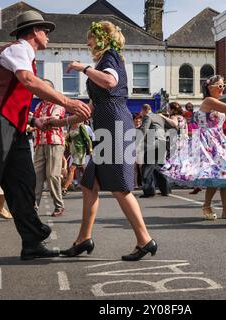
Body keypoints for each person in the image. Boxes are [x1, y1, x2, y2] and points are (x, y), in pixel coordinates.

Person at [0, 10, 92, 269]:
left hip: (13, 126)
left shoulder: (25, 55)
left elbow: (17, 93)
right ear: (34, 31)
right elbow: (28, 81)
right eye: (45, 31)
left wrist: (34, 121)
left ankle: (32, 242)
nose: (48, 36)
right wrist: (68, 102)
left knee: (23, 183)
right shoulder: (18, 49)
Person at [47, 21, 157, 261]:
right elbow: (89, 109)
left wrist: (83, 68)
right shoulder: (104, 62)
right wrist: (56, 123)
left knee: (119, 187)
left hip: (116, 127)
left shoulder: (110, 57)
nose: (87, 42)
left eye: (90, 38)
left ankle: (145, 240)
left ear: (102, 38)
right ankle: (83, 239)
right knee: (88, 185)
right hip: (107, 126)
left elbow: (110, 82)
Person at [162, 75, 226, 220]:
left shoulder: (214, 102)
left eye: (224, 86)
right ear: (210, 88)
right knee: (215, 174)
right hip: (208, 142)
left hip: (218, 140)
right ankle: (206, 206)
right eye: (220, 86)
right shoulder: (209, 101)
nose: (222, 88)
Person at [33, 79, 67, 217]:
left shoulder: (58, 104)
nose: (41, 91)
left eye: (44, 88)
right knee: (36, 176)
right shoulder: (38, 106)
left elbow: (53, 120)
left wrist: (37, 120)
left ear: (51, 90)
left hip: (55, 142)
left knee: (53, 175)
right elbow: (35, 121)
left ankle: (59, 206)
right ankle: (33, 207)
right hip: (40, 143)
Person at [138, 104, 172, 198]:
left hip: (153, 142)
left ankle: (149, 191)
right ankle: (166, 190)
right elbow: (169, 127)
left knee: (147, 167)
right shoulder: (158, 117)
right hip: (162, 142)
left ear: (144, 110)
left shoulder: (147, 116)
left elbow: (144, 130)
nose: (141, 114)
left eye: (141, 112)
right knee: (159, 167)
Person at [62, 121, 93, 195]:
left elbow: (88, 139)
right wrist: (65, 143)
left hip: (80, 151)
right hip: (73, 151)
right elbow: (69, 140)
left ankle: (65, 188)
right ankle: (91, 184)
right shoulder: (70, 127)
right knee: (83, 169)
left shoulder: (81, 126)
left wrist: (91, 149)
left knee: (72, 169)